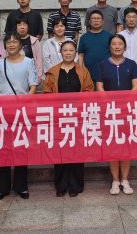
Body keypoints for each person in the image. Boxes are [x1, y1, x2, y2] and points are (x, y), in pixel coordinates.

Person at [42, 40, 94, 197]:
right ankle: (61, 185)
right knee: (60, 150)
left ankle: (75, 185)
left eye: (71, 50)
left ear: (75, 53)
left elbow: (89, 90)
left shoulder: (83, 71)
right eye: (65, 50)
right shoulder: (53, 72)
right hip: (59, 118)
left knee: (76, 151)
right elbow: (46, 93)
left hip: (77, 117)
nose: (68, 53)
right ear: (61, 53)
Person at [0, 32, 38, 201]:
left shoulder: (28, 62)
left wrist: (25, 103)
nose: (11, 44)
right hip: (3, 112)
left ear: (20, 44)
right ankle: (2, 188)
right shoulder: (0, 63)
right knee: (4, 148)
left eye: (14, 41)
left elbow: (33, 85)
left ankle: (21, 186)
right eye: (8, 42)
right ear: (5, 45)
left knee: (21, 147)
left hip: (22, 111)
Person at [96, 34, 137, 195]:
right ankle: (115, 180)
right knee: (112, 145)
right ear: (109, 47)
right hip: (110, 111)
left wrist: (125, 103)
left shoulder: (132, 64)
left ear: (125, 47)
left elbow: (136, 86)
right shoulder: (102, 65)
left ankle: (125, 180)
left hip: (128, 110)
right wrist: (111, 104)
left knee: (126, 145)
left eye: (120, 44)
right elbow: (99, 87)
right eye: (114, 44)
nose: (117, 46)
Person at [77, 10, 112, 82]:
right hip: (89, 75)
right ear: (89, 21)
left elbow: (113, 54)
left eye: (98, 18)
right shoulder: (84, 37)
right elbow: (80, 55)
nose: (96, 20)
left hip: (107, 74)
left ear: (103, 21)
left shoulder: (109, 36)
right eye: (93, 18)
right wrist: (80, 70)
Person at [15, 17, 43, 84]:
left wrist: (39, 77)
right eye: (19, 25)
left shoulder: (35, 41)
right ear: (16, 27)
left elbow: (39, 60)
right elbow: (5, 57)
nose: (22, 27)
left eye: (24, 25)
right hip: (15, 75)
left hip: (31, 75)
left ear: (28, 27)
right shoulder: (11, 41)